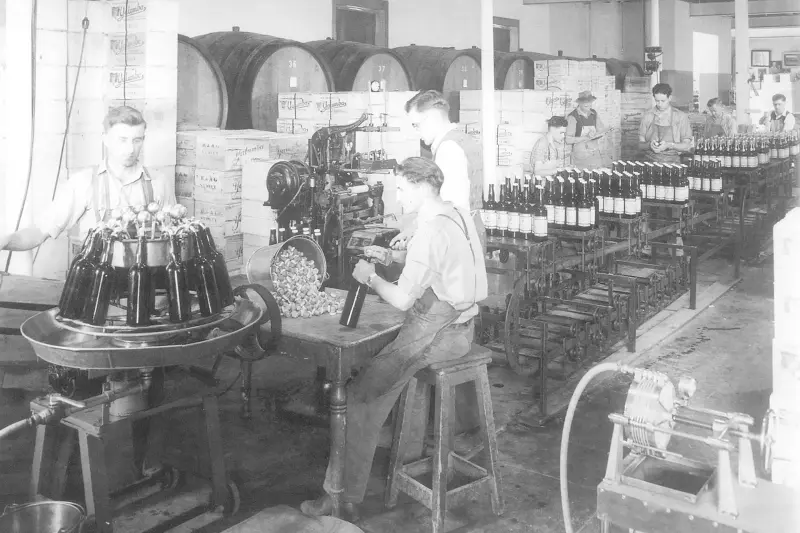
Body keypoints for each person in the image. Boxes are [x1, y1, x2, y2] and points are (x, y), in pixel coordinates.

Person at [300, 157, 488, 522]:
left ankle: (339, 498)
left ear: (419, 187)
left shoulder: (430, 231)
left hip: (438, 334)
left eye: (401, 189)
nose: (398, 197)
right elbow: (438, 263)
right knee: (378, 386)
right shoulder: (457, 214)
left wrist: (370, 276)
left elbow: (403, 299)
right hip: (463, 327)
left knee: (359, 398)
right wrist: (391, 256)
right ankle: (372, 477)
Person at [0, 106, 177, 253]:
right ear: (105, 140)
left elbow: (173, 237)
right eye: (122, 140)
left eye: (136, 140)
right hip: (99, 282)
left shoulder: (158, 182)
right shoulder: (84, 183)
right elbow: (39, 231)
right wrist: (6, 241)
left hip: (144, 281)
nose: (130, 149)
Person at [399, 90, 485, 252]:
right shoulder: (463, 139)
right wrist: (414, 228)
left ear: (431, 118)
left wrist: (418, 241)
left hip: (458, 241)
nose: (417, 132)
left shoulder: (448, 149)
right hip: (471, 232)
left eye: (416, 125)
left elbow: (449, 207)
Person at [637, 83, 693, 164]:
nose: (659, 104)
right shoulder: (648, 115)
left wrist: (669, 145)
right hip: (650, 162)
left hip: (673, 163)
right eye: (657, 101)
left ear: (669, 98)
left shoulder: (681, 117)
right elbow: (640, 145)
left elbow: (687, 146)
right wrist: (649, 145)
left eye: (663, 101)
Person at [566, 91, 611, 168]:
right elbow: (568, 140)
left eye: (589, 101)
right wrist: (585, 138)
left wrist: (604, 131)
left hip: (594, 152)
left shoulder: (594, 113)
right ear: (579, 103)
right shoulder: (572, 117)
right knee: (584, 177)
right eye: (584, 101)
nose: (587, 104)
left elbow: (600, 129)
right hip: (581, 154)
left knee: (597, 175)